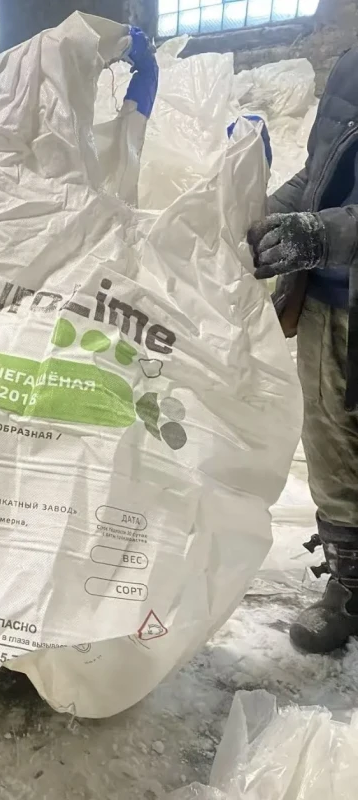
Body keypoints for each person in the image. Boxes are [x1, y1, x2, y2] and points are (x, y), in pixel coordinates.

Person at [248, 46, 358, 656]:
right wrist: (260, 217)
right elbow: (318, 174)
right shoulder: (351, 65)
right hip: (326, 297)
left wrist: (323, 235)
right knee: (331, 447)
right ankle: (350, 589)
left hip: (335, 258)